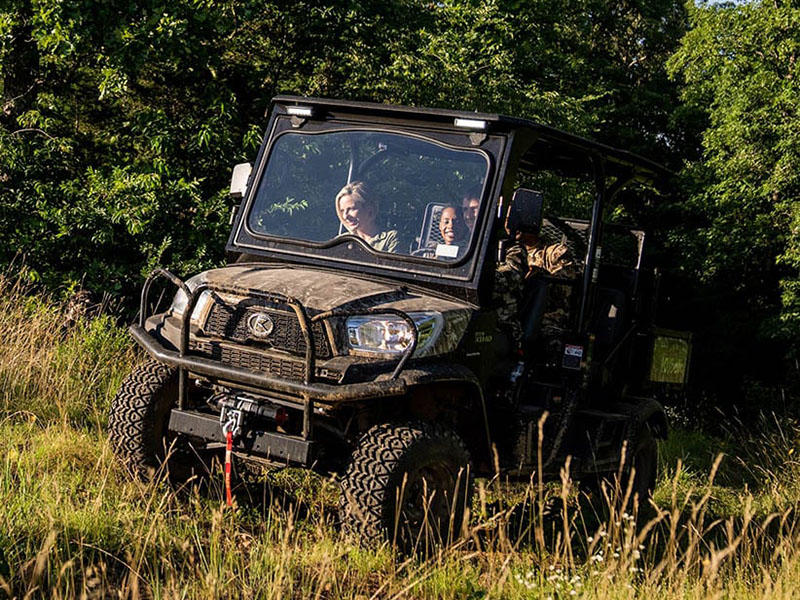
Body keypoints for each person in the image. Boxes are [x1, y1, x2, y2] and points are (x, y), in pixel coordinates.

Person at [335, 181, 398, 253]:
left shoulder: (390, 239)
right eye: (342, 211)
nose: (345, 216)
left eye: (351, 209)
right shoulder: (340, 242)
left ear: (369, 210)